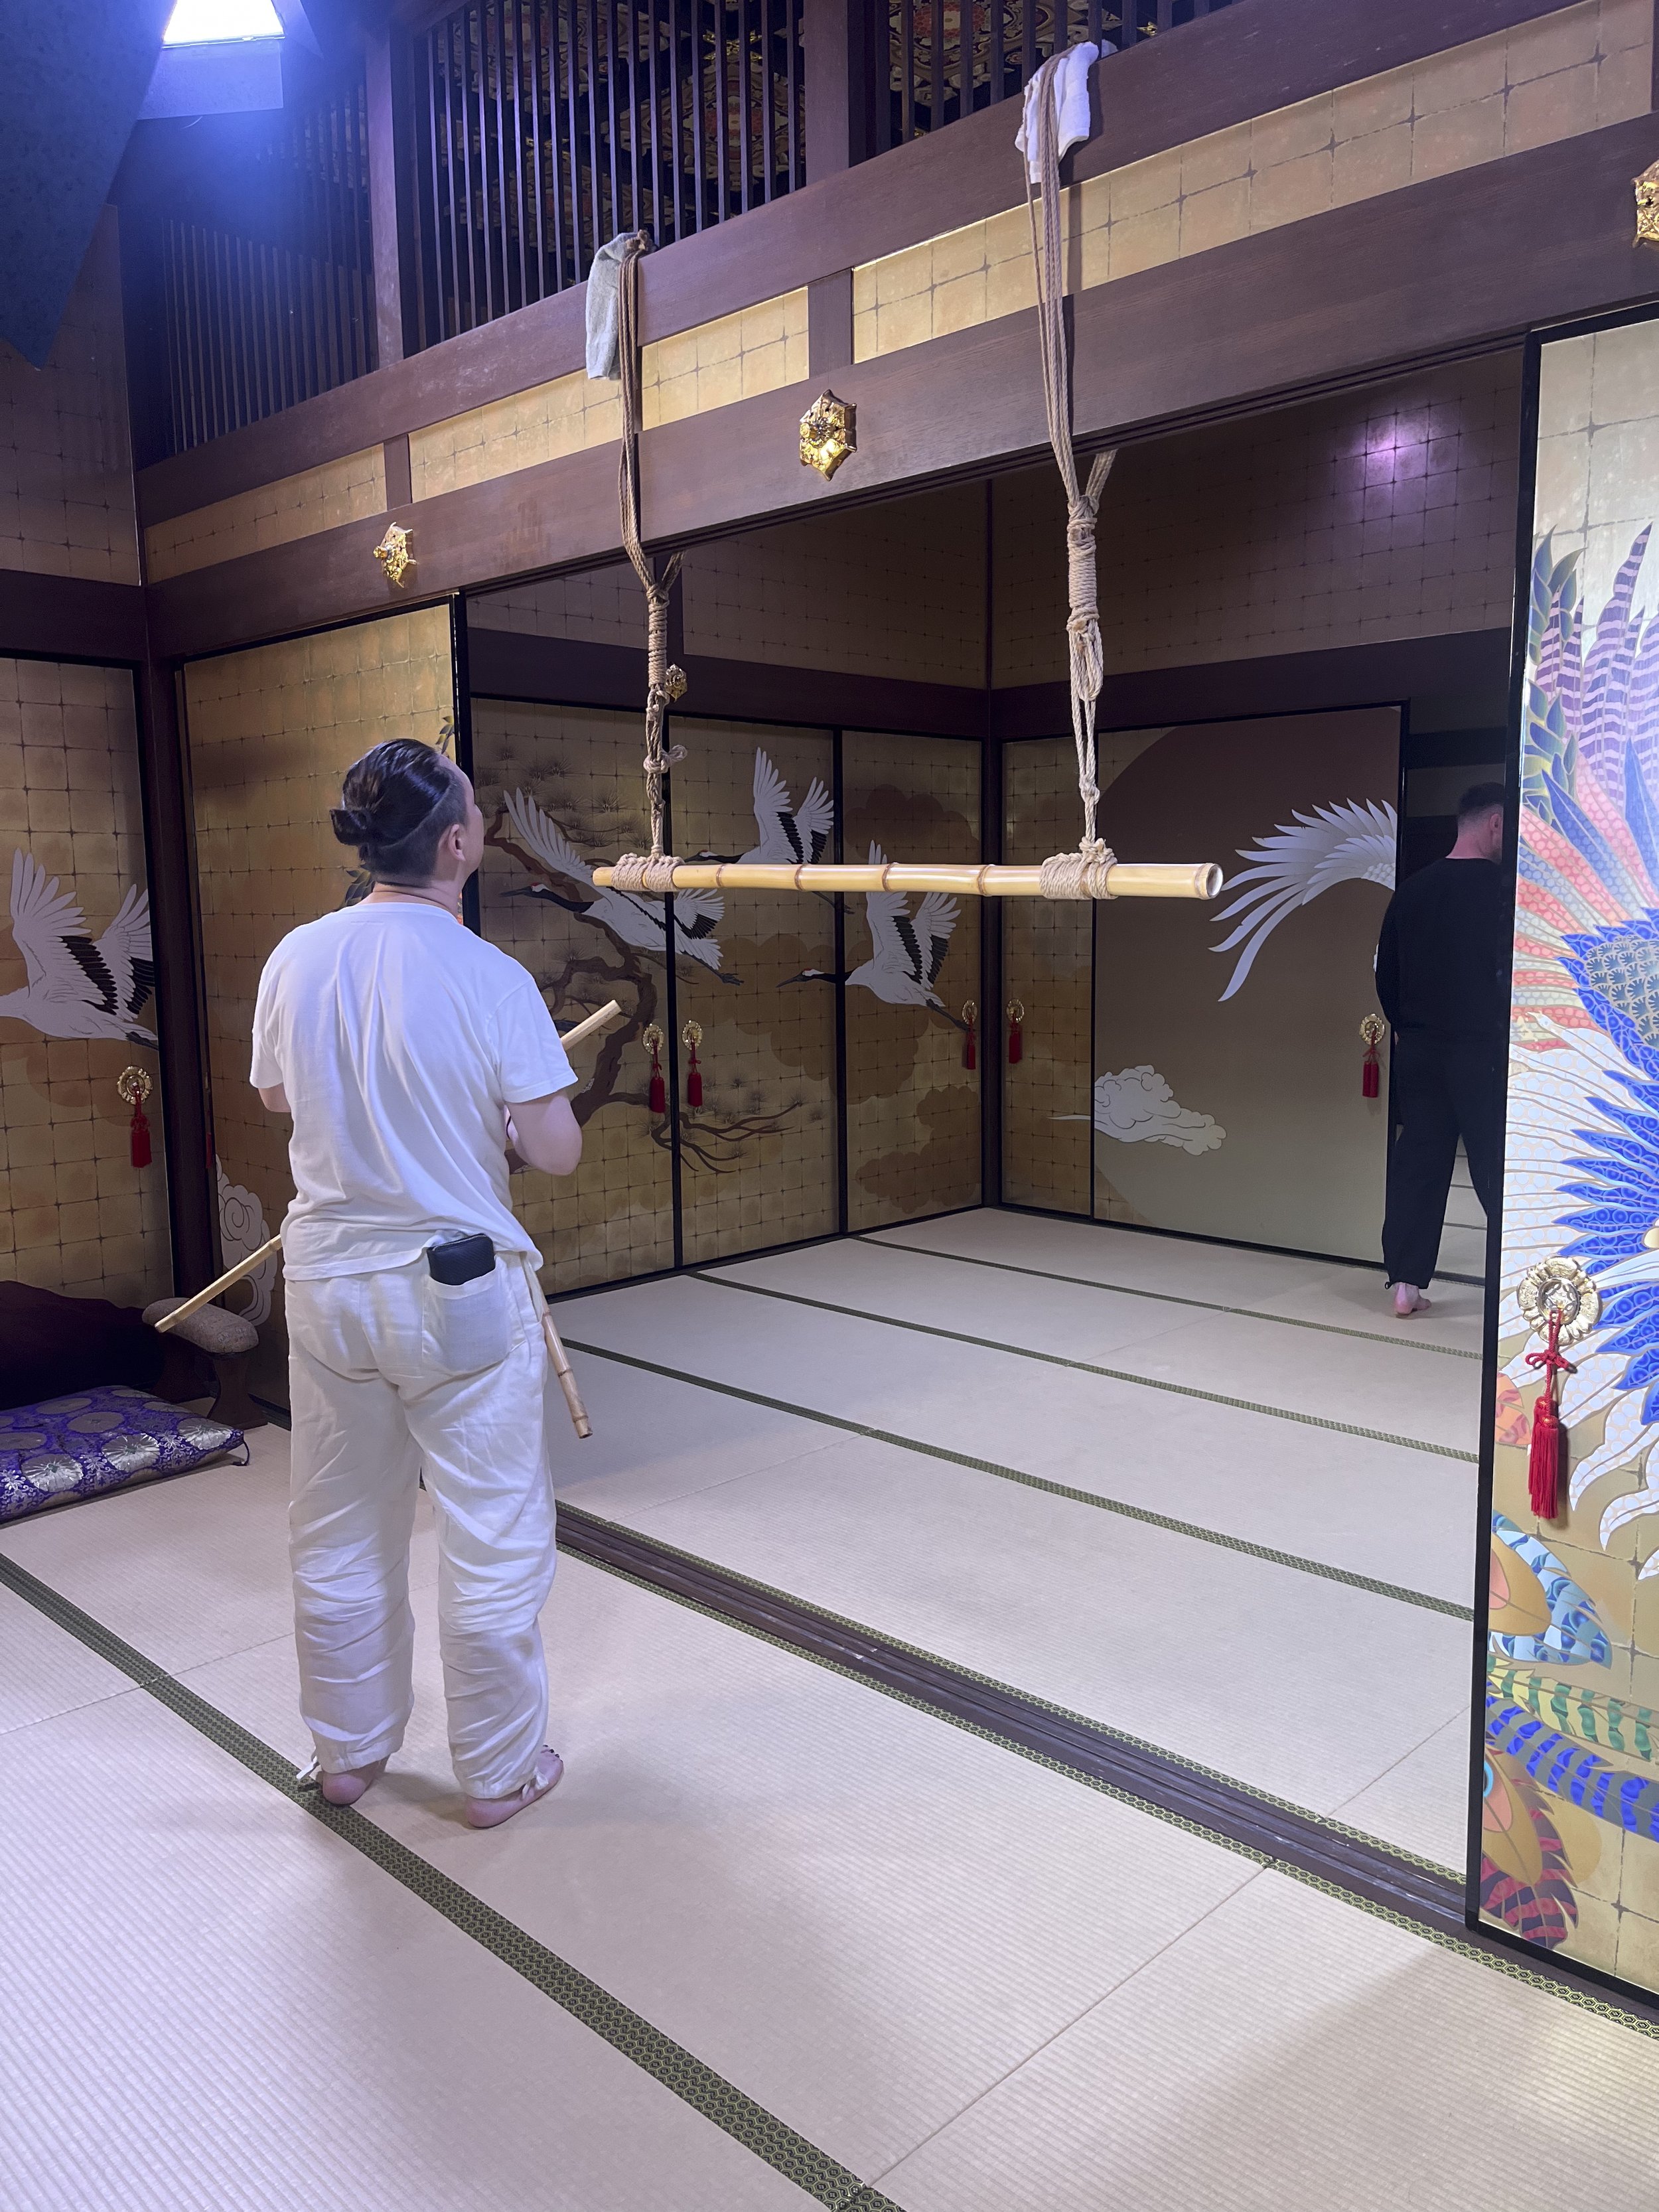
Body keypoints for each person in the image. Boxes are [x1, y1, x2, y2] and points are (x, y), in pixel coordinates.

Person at [251, 739, 583, 1828]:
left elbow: (273, 1097)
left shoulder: (297, 954)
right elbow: (556, 1148)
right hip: (456, 1290)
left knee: (338, 1521)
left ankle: (346, 1754)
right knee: (490, 1528)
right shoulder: (488, 972)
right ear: (456, 841)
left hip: (329, 1283)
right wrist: (492, 1121)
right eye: (479, 811)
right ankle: (494, 1771)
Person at [1374, 780, 1508, 1319]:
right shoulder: (1507, 893)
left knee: (1420, 1162)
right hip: (1485, 1051)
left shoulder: (1411, 890)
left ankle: (1405, 1285)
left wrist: (1404, 1025)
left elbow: (1387, 973)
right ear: (1496, 824)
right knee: (1495, 1164)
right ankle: (1516, 1283)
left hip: (1422, 1051)